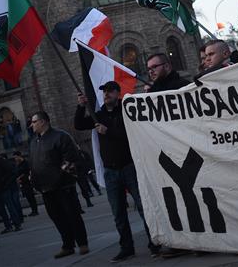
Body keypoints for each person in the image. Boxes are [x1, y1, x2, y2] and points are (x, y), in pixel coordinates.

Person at [75, 83, 158, 262]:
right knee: (118, 213)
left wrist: (108, 131)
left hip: (129, 166)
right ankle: (126, 247)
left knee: (144, 207)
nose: (106, 94)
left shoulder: (127, 110)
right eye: (104, 92)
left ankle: (154, 242)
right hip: (110, 171)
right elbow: (79, 124)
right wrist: (81, 106)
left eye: (110, 91)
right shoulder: (99, 114)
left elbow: (131, 133)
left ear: (117, 93)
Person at [29, 110, 89, 259]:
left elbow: (70, 159)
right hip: (45, 188)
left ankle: (82, 243)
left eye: (34, 122)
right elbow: (34, 163)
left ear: (43, 122)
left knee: (72, 214)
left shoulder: (61, 136)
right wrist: (34, 179)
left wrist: (58, 177)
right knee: (57, 217)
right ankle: (67, 245)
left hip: (63, 186)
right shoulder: (34, 141)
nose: (32, 125)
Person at [12, 151, 39, 216]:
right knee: (28, 197)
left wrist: (21, 178)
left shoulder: (25, 163)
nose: (15, 159)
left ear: (19, 156)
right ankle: (33, 210)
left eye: (15, 157)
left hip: (27, 182)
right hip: (22, 183)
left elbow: (28, 172)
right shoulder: (18, 164)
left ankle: (35, 210)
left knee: (31, 197)